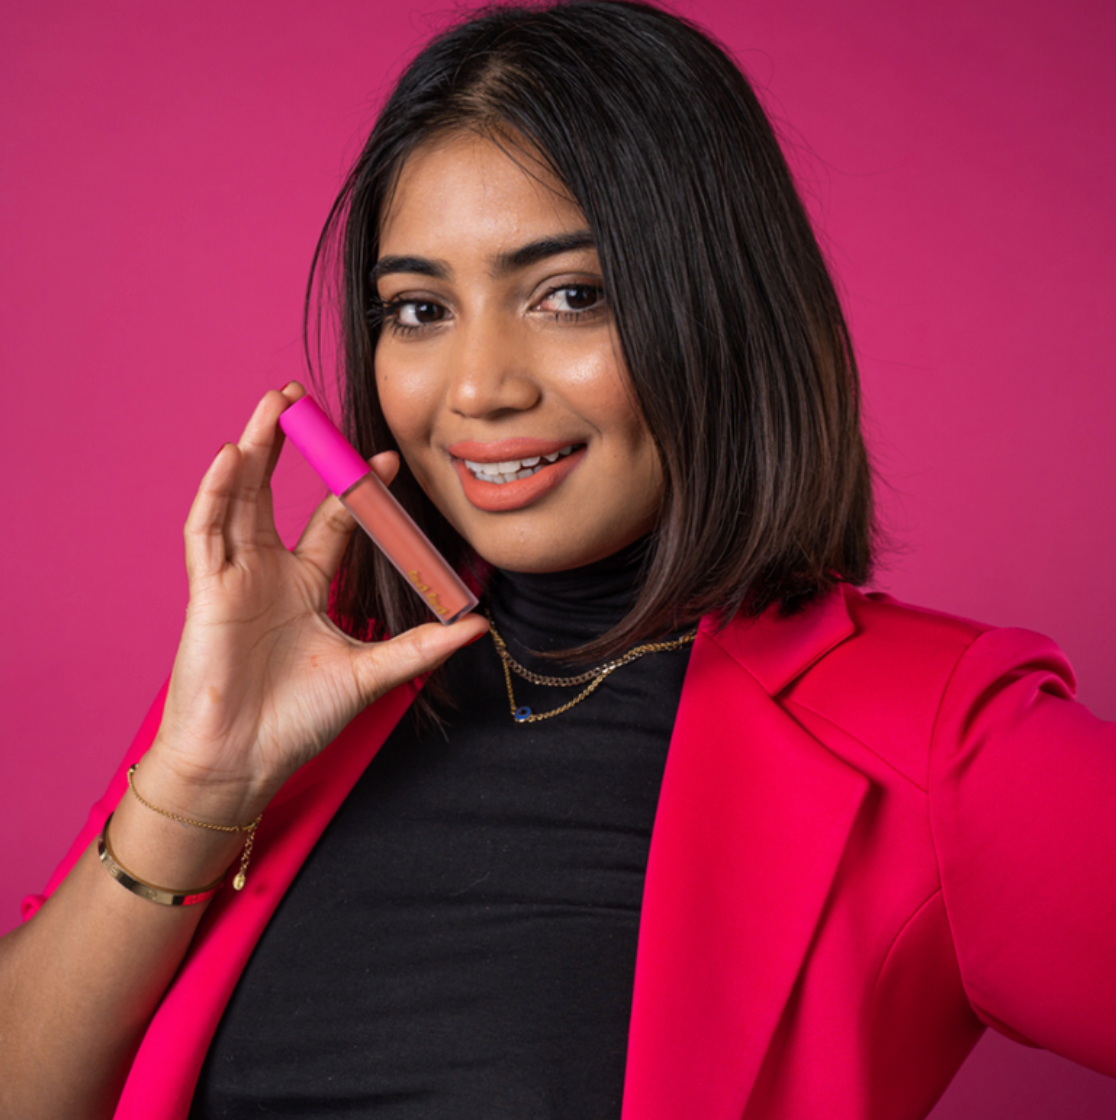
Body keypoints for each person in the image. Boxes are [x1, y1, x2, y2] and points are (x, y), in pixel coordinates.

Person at [1, 2, 1113, 1118]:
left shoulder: (932, 741)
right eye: (420, 309)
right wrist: (196, 785)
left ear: (725, 309)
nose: (479, 387)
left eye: (570, 295)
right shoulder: (308, 666)